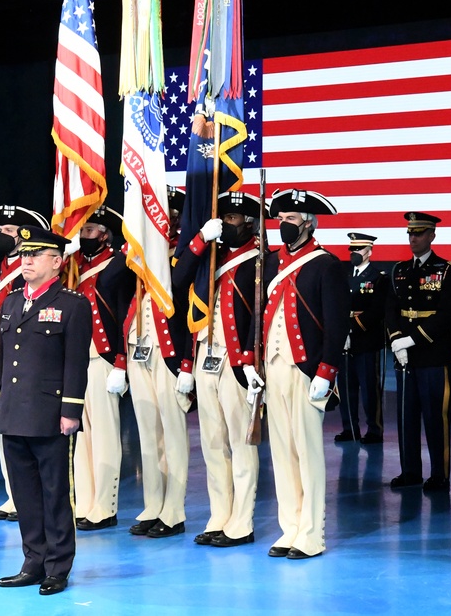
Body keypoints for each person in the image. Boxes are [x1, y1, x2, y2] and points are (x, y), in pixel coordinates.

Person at [242, 189, 348, 560]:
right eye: (281, 219)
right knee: (283, 453)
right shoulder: (270, 263)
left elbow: (337, 325)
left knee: (307, 452)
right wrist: (252, 363)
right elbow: (260, 314)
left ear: (308, 223)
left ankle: (311, 533)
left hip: (306, 370)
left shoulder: (326, 265)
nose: (284, 225)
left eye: (291, 220)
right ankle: (290, 528)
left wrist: (327, 370)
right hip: (272, 367)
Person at [0, 225, 91, 596]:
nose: (27, 261)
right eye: (24, 254)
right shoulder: (12, 301)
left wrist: (71, 410)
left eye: (35, 255)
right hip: (16, 413)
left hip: (50, 414)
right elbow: (7, 360)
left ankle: (58, 566)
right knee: (25, 494)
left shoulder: (72, 305)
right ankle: (33, 560)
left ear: (57, 261)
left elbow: (75, 363)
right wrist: (2, 402)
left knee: (55, 493)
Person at [171, 191, 261, 547]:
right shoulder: (211, 256)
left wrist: (255, 362)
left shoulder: (261, 260)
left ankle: (241, 521)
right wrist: (199, 241)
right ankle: (219, 515)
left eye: (233, 219)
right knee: (212, 443)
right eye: (223, 219)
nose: (226, 225)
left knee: (240, 443)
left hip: (238, 361)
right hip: (206, 355)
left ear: (250, 223)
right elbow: (178, 284)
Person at [111, 189, 192, 539]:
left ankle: (174, 511)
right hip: (137, 345)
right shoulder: (140, 250)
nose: (165, 218)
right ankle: (152, 504)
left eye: (171, 213)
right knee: (147, 433)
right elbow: (113, 285)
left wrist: (188, 363)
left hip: (169, 351)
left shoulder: (187, 252)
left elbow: (187, 298)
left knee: (172, 433)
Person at [0, 204, 50, 523]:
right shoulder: (0, 266)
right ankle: (14, 494)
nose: (1, 236)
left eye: (7, 232)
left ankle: (35, 493)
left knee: (26, 428)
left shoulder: (35, 266)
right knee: (2, 427)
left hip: (24, 352)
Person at [386, 212, 451, 493]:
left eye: (418, 233)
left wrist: (412, 340)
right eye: (410, 233)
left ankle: (439, 474)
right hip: (404, 355)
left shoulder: (446, 270)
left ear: (432, 235)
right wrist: (396, 339)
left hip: (433, 352)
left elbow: (447, 314)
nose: (413, 238)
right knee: (406, 416)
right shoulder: (400, 270)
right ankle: (410, 471)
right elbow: (391, 309)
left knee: (435, 416)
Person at [71, 206, 135, 531]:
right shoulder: (73, 267)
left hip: (104, 358)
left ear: (105, 234)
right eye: (82, 231)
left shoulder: (117, 264)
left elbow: (124, 314)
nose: (84, 237)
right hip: (78, 359)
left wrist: (121, 362)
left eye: (90, 230)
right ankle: (84, 501)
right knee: (81, 435)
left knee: (106, 435)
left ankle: (105, 507)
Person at [335, 232, 387, 445]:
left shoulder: (378, 277)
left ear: (369, 251)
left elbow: (376, 310)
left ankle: (374, 429)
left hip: (365, 340)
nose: (354, 253)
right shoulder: (343, 275)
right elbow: (337, 304)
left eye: (358, 249)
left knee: (368, 389)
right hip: (344, 342)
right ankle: (350, 428)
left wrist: (350, 329)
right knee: (346, 388)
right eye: (352, 249)